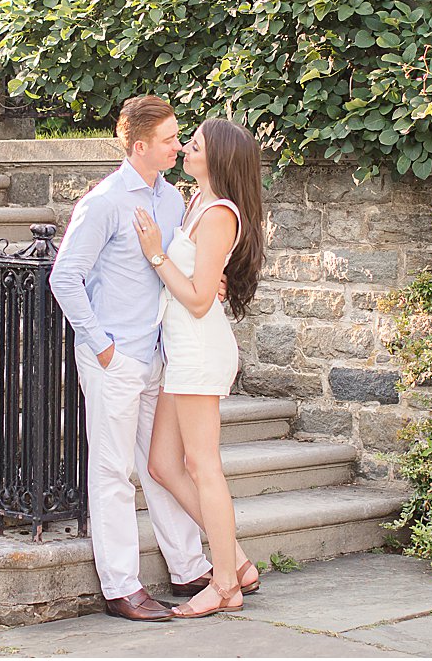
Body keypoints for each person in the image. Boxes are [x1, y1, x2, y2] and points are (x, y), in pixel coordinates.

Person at [49, 95, 213, 622]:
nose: (179, 146)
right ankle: (121, 586)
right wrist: (102, 346)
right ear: (139, 146)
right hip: (113, 359)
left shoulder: (171, 200)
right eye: (169, 139)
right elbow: (63, 277)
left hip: (157, 357)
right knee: (114, 471)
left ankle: (189, 568)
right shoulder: (104, 202)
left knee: (162, 467)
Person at [132, 117, 266, 619]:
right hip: (181, 349)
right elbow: (203, 284)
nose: (186, 148)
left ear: (219, 158)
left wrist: (155, 256)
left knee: (202, 465)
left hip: (199, 347)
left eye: (195, 144)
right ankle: (240, 564)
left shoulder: (219, 215)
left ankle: (226, 583)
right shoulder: (196, 204)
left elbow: (195, 298)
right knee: (162, 463)